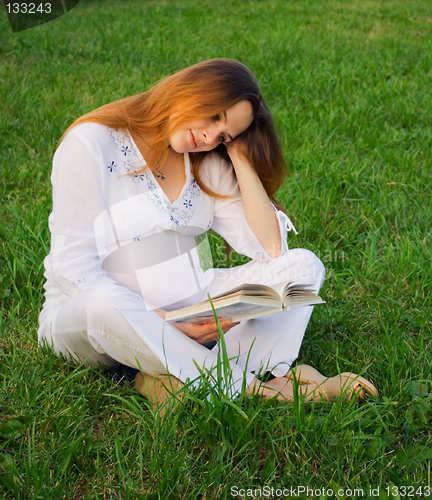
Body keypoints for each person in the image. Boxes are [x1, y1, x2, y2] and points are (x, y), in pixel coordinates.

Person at [38, 59, 378, 408]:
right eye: (215, 117)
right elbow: (74, 270)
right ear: (191, 90)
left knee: (302, 269)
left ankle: (164, 375)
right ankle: (264, 390)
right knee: (103, 304)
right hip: (88, 318)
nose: (209, 137)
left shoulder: (205, 162)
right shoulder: (92, 142)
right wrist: (164, 323)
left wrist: (239, 155)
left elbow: (272, 249)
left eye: (224, 135)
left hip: (188, 306)